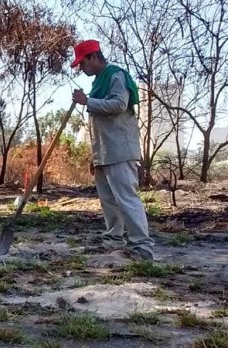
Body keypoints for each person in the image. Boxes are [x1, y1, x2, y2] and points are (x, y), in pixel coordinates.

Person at [71, 39, 155, 260]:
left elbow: (119, 104)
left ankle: (142, 246)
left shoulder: (116, 75)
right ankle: (113, 242)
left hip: (120, 149)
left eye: (83, 63)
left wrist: (86, 101)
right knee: (108, 200)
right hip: (104, 151)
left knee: (126, 197)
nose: (81, 68)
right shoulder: (100, 80)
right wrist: (95, 154)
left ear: (94, 57)